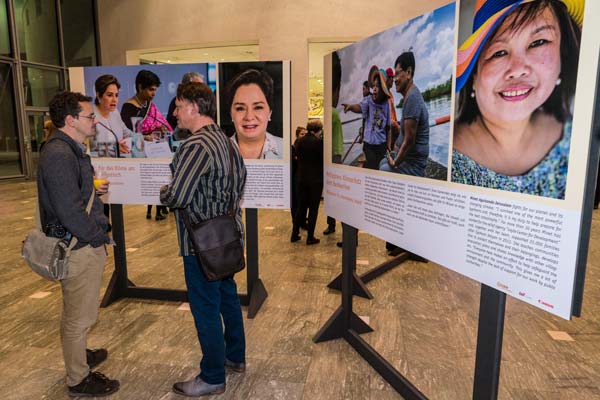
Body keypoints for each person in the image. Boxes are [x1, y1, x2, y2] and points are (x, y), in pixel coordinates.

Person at [160, 81, 247, 397]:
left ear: (194, 107)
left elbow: (177, 196)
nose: (175, 112)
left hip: (200, 243)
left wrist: (163, 192)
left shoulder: (195, 146)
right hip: (226, 238)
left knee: (206, 306)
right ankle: (235, 357)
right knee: (227, 297)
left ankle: (212, 376)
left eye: (179, 106)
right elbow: (240, 185)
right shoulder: (228, 142)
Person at [451, 0, 582, 199]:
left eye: (539, 42)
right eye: (499, 53)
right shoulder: (444, 160)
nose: (518, 68)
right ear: (474, 76)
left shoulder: (573, 136)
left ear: (562, 51)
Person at [38, 91, 119, 397]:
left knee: (78, 311)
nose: (94, 120)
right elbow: (69, 211)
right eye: (89, 116)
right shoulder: (59, 154)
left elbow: (71, 198)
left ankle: (79, 355)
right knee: (78, 317)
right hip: (78, 246)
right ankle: (78, 379)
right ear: (71, 120)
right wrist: (98, 235)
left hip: (80, 242)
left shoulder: (69, 149)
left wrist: (92, 194)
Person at [121, 69, 172, 220]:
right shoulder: (128, 108)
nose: (153, 93)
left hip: (156, 150)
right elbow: (128, 134)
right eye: (151, 89)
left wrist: (159, 129)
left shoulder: (149, 105)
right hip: (140, 153)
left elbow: (158, 124)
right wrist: (145, 137)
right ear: (140, 87)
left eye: (155, 90)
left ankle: (160, 208)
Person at [379, 51, 429, 178]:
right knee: (382, 162)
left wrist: (395, 162)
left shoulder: (412, 97)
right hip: (409, 159)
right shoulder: (409, 96)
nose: (394, 80)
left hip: (414, 164)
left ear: (408, 73)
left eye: (397, 75)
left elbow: (409, 141)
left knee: (384, 169)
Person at [226, 69, 283, 159]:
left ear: (270, 113)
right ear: (231, 114)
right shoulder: (216, 153)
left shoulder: (286, 149)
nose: (249, 117)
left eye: (258, 107)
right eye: (240, 108)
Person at [342, 68, 391, 170]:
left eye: (378, 87)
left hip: (381, 143)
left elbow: (388, 127)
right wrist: (351, 107)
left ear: (383, 90)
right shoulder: (368, 101)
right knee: (372, 162)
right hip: (369, 144)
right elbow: (360, 107)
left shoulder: (386, 104)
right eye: (374, 86)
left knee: (381, 165)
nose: (374, 89)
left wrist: (388, 147)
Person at [291, 119, 324, 245]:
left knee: (301, 207)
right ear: (318, 130)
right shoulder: (318, 143)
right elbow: (322, 160)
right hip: (315, 180)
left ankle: (294, 234)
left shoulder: (299, 141)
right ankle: (310, 237)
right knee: (313, 209)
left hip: (301, 178)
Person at [91, 74, 132, 158]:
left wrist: (144, 137)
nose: (114, 100)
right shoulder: (89, 115)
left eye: (116, 95)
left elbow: (127, 133)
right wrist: (114, 148)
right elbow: (89, 147)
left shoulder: (115, 113)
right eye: (110, 95)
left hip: (120, 164)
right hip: (99, 167)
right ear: (99, 95)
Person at [167, 71, 205, 137]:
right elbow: (170, 127)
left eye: (202, 85)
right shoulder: (176, 101)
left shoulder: (204, 102)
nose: (201, 89)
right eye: (197, 86)